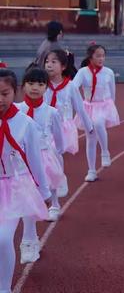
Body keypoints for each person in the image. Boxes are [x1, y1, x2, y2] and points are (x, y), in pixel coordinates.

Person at [0, 69, 50, 293]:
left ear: (14, 92)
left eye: (4, 93)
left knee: (2, 239)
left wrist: (45, 192)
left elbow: (35, 161)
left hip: (12, 188)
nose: (0, 99)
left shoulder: (25, 123)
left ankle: (4, 288)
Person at [16, 68, 65, 265]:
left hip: (44, 159)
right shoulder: (17, 110)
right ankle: (29, 240)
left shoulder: (51, 112)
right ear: (23, 85)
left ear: (46, 88)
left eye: (40, 84)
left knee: (38, 197)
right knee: (27, 201)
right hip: (21, 162)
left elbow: (59, 139)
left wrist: (56, 154)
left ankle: (54, 203)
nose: (35, 88)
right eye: (31, 83)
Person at [73, 45, 120, 182]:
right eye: (98, 55)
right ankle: (91, 170)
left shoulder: (108, 72)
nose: (101, 58)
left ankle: (105, 151)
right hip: (89, 106)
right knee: (91, 137)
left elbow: (112, 91)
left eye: (103, 56)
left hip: (104, 105)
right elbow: (74, 87)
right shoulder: (83, 72)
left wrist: (111, 106)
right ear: (90, 57)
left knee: (98, 123)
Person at [44, 50, 93, 160]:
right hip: (46, 125)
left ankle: (59, 175)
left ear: (63, 66)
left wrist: (89, 126)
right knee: (48, 155)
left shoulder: (70, 86)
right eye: (47, 62)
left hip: (63, 127)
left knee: (55, 153)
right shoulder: (43, 85)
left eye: (53, 62)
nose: (49, 65)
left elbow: (80, 108)